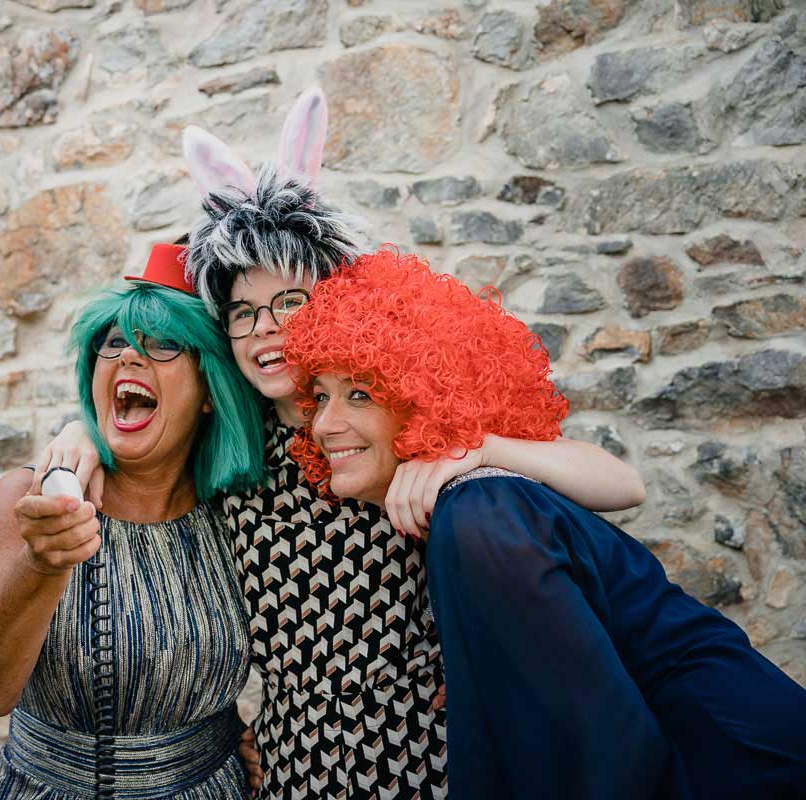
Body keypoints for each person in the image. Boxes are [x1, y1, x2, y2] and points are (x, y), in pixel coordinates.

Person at [37, 89, 649, 799]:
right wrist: (78, 433)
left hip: (431, 765)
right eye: (242, 312)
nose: (265, 328)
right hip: (297, 773)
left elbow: (621, 485)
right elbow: (140, 424)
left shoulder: (396, 421)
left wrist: (479, 451)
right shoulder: (230, 449)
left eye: (288, 303)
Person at [282, 247, 806, 800]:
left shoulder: (481, 514)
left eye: (359, 394)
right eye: (319, 396)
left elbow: (597, 749)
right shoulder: (475, 502)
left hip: (738, 767)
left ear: (424, 402)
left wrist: (479, 446)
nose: (325, 424)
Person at [0, 244, 268, 799]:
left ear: (210, 391)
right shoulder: (26, 498)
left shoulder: (235, 515)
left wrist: (258, 736)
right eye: (114, 342)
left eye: (163, 343)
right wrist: (41, 565)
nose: (129, 356)